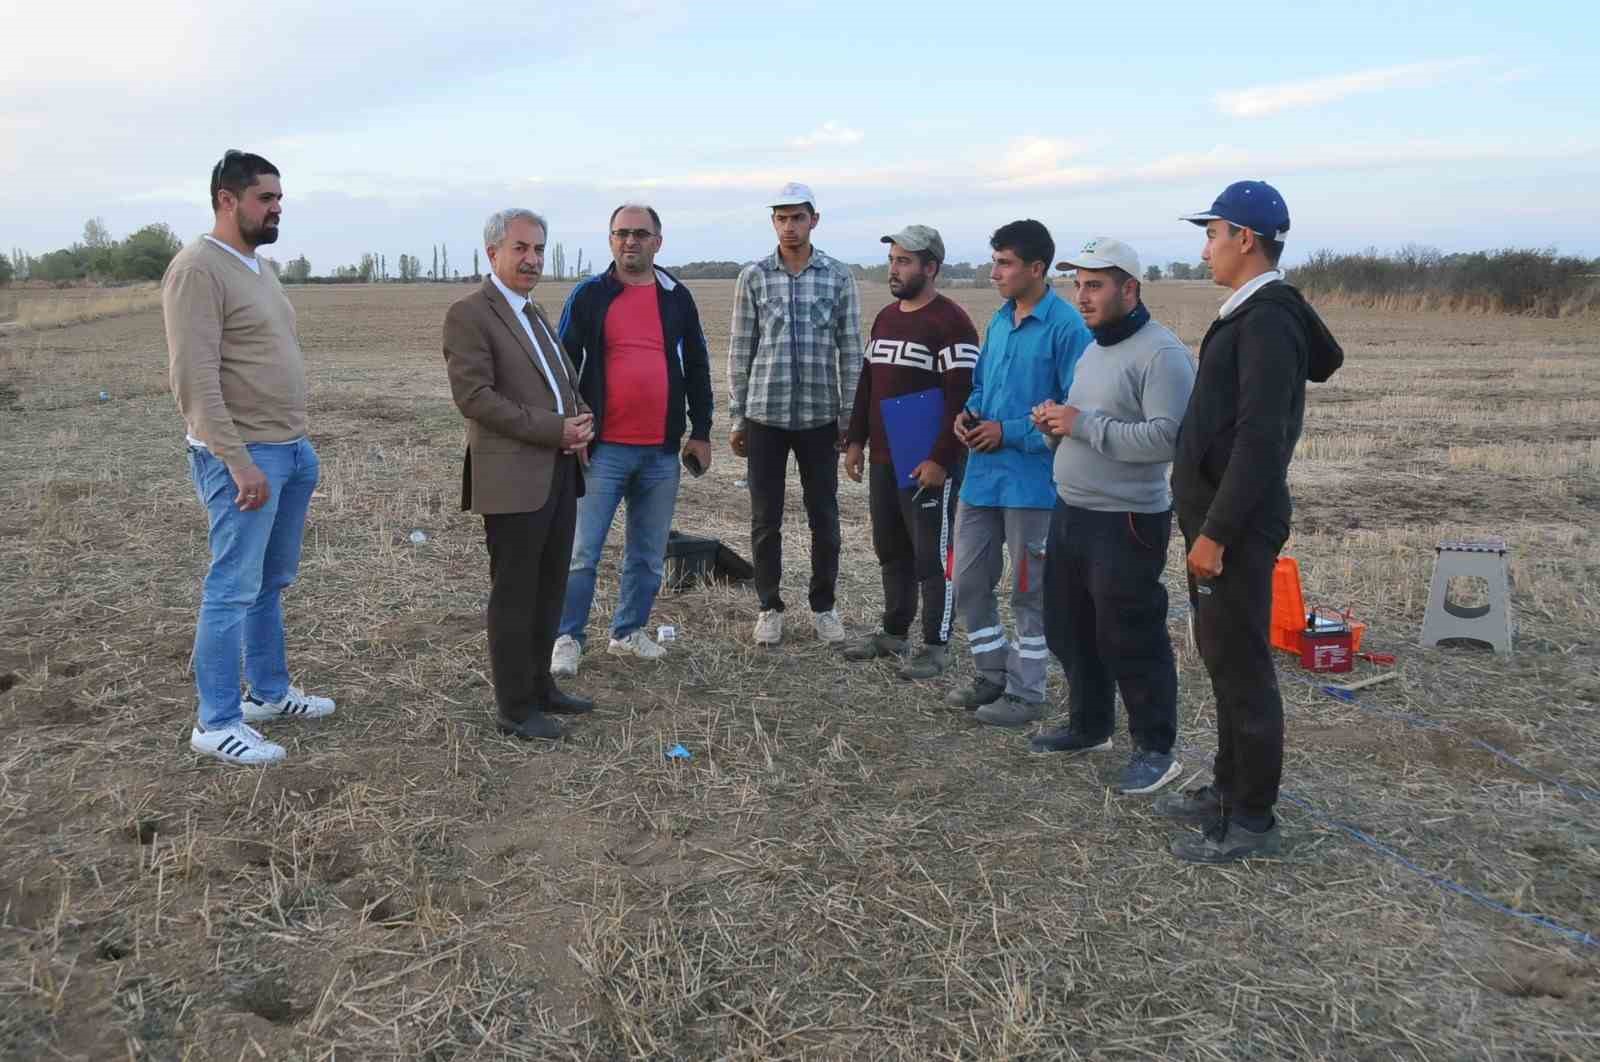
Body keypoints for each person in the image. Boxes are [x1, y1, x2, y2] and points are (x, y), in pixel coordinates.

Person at [1155, 181, 1344, 862]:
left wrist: (1216, 533)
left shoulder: (1266, 320)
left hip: (1233, 528)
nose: (1205, 248)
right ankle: (1228, 791)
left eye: (1213, 234)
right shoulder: (1254, 312)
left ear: (1245, 238)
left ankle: (1253, 820)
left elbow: (1262, 441)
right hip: (1216, 521)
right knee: (1223, 659)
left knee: (1243, 671)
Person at [164, 149, 333, 766]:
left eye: (280, 198)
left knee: (268, 583)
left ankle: (268, 693)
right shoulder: (197, 269)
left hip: (289, 449)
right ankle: (216, 722)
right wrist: (238, 461)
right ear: (226, 200)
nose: (277, 208)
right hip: (243, 457)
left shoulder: (259, 267)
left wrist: (297, 448)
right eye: (266, 198)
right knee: (232, 587)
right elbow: (194, 381)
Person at [1029, 238, 1195, 795]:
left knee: (1131, 636)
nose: (1082, 296)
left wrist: (1080, 425)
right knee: (1069, 627)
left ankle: (1156, 749)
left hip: (1126, 520)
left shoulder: (1162, 354)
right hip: (1072, 509)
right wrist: (1055, 427)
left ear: (1130, 289)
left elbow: (1168, 438)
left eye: (1095, 285)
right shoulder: (1093, 350)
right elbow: (1087, 424)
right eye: (1078, 285)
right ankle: (1090, 725)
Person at [443, 208, 597, 741]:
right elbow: (475, 397)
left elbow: (561, 382)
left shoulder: (534, 311)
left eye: (539, 249)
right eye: (521, 248)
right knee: (515, 593)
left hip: (560, 472)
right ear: (493, 254)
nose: (532, 259)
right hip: (513, 479)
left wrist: (581, 417)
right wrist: (556, 429)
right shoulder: (470, 314)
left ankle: (541, 687)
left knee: (550, 586)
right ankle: (514, 707)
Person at [550, 204, 713, 674]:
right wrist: (570, 424)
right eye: (621, 233)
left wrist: (701, 431)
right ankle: (567, 637)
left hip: (660, 452)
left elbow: (697, 365)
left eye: (641, 233)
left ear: (658, 242)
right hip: (602, 451)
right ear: (610, 240)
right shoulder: (589, 295)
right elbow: (562, 365)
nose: (630, 241)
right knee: (581, 553)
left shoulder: (676, 296)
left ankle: (628, 632)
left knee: (647, 554)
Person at [947, 220, 1091, 725]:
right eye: (994, 262)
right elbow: (981, 387)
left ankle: (1028, 694)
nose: (994, 273)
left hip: (1032, 484)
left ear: (1036, 268)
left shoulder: (1067, 328)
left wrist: (1007, 432)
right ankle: (991, 674)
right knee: (968, 582)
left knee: (1030, 593)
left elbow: (1073, 409)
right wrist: (968, 415)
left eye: (1004, 263)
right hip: (981, 479)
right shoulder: (999, 321)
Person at [728, 182, 864, 647]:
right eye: (781, 218)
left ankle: (824, 607)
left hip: (819, 418)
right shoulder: (753, 276)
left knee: (824, 516)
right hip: (765, 415)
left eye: (798, 217)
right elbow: (741, 348)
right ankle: (769, 607)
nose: (789, 226)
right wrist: (738, 415)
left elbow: (851, 350)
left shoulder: (837, 276)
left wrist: (849, 418)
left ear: (814, 220)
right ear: (773, 222)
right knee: (765, 518)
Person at [842, 226, 978, 680]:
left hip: (927, 462)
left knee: (932, 558)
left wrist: (941, 459)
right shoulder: (885, 318)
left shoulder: (952, 323)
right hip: (885, 457)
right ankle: (894, 632)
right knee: (891, 549)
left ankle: (936, 645)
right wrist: (855, 440)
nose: (894, 269)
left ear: (931, 267)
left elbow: (963, 400)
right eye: (892, 260)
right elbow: (868, 383)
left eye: (904, 261)